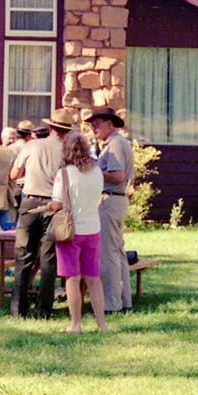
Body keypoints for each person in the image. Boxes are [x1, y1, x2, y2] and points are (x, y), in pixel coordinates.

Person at [9, 109, 74, 319]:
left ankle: (18, 308)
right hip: (54, 206)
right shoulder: (68, 150)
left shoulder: (32, 144)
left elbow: (14, 174)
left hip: (30, 202)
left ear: (51, 127)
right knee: (48, 260)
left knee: (23, 256)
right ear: (66, 131)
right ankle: (43, 310)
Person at [49, 131, 108, 334]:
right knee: (93, 278)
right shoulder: (97, 172)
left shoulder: (64, 174)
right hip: (93, 227)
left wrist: (50, 206)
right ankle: (102, 324)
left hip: (70, 230)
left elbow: (57, 203)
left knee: (72, 278)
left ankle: (76, 324)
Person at [88, 106, 135, 315]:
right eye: (91, 123)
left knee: (107, 255)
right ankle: (124, 301)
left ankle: (110, 304)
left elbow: (117, 175)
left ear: (110, 123)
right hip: (115, 200)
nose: (93, 127)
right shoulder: (114, 143)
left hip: (111, 200)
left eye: (97, 123)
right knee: (118, 253)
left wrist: (93, 169)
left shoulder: (115, 144)